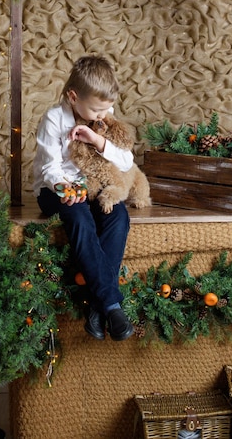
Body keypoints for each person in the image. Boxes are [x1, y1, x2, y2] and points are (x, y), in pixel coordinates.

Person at [33, 55, 134, 341]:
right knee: (80, 218)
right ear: (73, 96)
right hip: (54, 190)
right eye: (97, 109)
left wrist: (97, 140)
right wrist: (64, 188)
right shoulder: (54, 119)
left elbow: (126, 162)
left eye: (107, 108)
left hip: (92, 186)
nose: (103, 115)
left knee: (118, 215)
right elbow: (48, 167)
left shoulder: (101, 116)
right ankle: (112, 305)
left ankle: (95, 307)